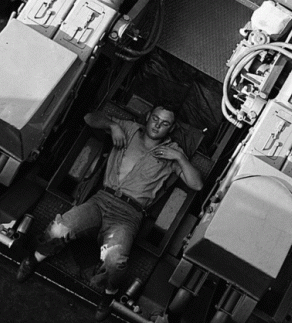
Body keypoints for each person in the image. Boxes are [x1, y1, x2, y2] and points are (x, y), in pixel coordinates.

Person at [16, 105, 203, 321]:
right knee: (59, 228)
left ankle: (109, 294)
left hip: (128, 214)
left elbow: (197, 184)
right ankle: (34, 258)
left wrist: (180, 157)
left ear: (170, 129)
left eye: (165, 123)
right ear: (148, 117)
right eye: (155, 119)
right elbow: (88, 116)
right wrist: (113, 125)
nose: (157, 125)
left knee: (115, 262)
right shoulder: (129, 128)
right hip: (101, 200)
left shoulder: (172, 152)